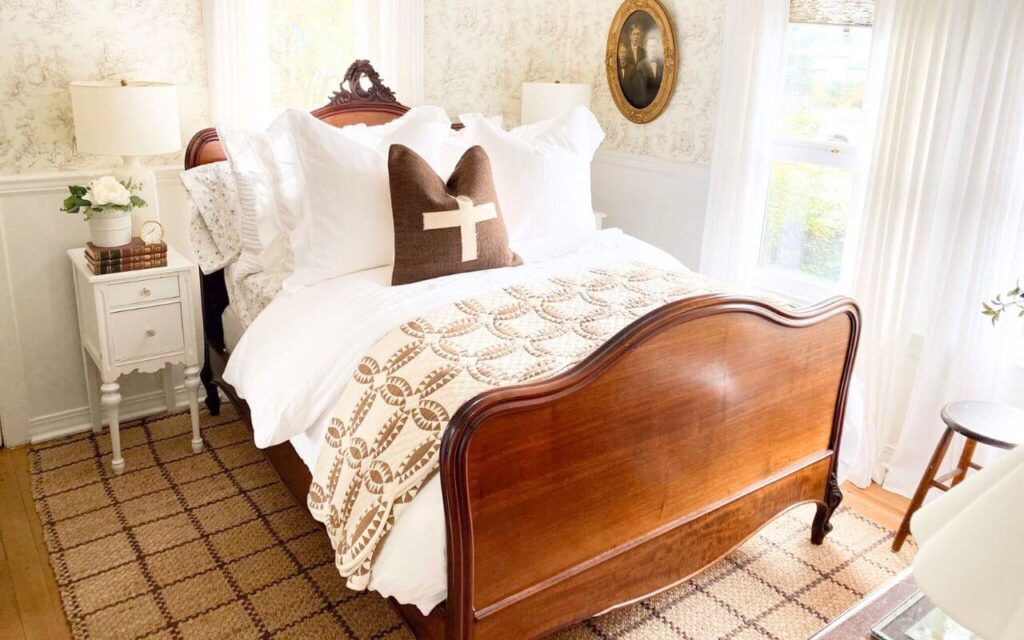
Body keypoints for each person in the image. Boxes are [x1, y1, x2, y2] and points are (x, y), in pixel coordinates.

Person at [620, 22, 647, 107]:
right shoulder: (625, 52)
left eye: (637, 34)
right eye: (634, 34)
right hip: (629, 88)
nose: (636, 36)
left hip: (641, 86)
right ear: (630, 36)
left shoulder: (643, 52)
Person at [638, 33, 664, 107]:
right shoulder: (641, 66)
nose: (653, 49)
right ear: (646, 48)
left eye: (655, 46)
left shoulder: (663, 64)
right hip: (646, 103)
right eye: (650, 46)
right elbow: (640, 90)